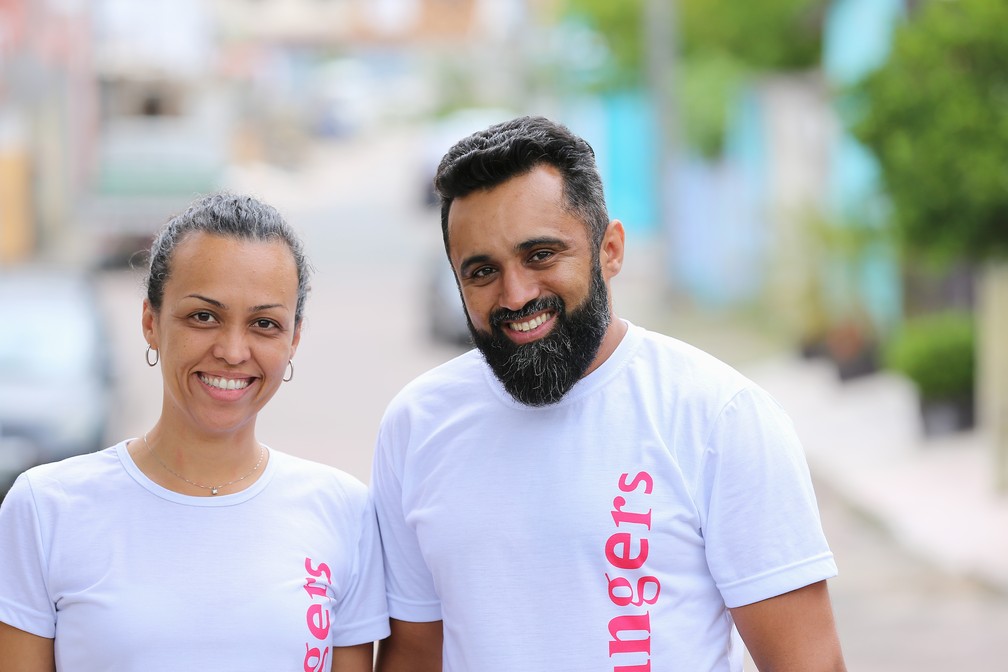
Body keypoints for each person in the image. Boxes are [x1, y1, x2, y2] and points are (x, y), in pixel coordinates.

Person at [371, 116, 847, 671]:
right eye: (481, 271)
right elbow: (414, 654)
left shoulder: (717, 415)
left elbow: (807, 663)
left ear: (610, 250)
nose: (516, 293)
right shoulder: (418, 423)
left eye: (541, 255)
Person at [0, 193, 389, 671]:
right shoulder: (46, 508)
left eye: (264, 324)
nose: (231, 350)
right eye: (204, 316)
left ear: (294, 339)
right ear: (151, 322)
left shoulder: (343, 511)